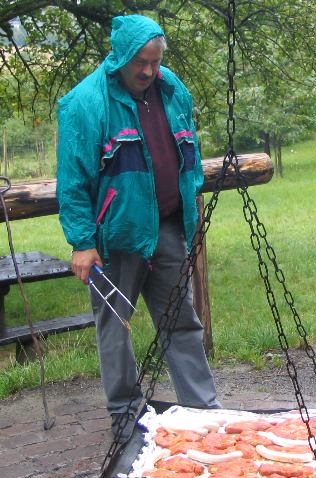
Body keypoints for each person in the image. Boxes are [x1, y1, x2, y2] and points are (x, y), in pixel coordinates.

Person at [56, 14, 222, 441]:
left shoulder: (171, 88)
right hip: (114, 240)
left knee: (181, 321)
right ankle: (126, 415)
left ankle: (202, 409)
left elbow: (189, 150)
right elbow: (73, 181)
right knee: (115, 327)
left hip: (166, 228)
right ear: (121, 55)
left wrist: (189, 206)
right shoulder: (86, 103)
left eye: (155, 61)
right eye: (141, 62)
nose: (148, 71)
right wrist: (82, 242)